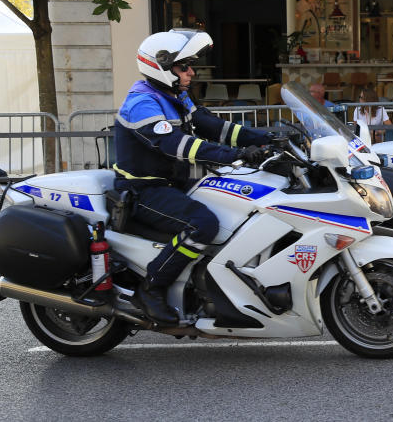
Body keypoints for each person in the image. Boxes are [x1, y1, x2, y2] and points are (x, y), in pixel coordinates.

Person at [114, 29, 274, 324]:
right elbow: (176, 145)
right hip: (145, 190)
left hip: (177, 183)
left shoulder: (176, 96)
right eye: (183, 66)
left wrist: (267, 137)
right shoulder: (142, 103)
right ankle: (152, 288)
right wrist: (233, 155)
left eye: (190, 65)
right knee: (203, 224)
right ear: (161, 66)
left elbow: (211, 126)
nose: (191, 71)